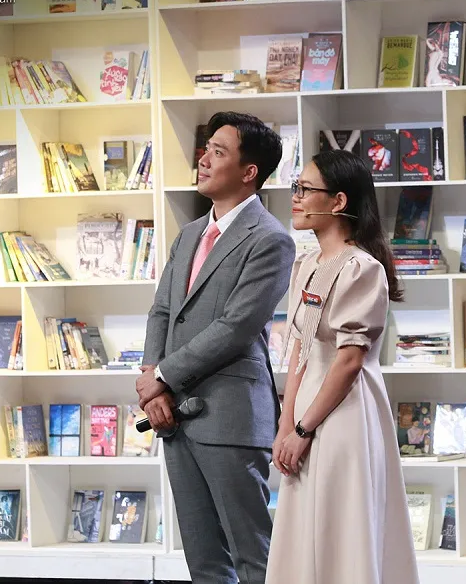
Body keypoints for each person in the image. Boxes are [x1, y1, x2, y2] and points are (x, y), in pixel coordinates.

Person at [137, 111, 295, 584]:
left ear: (249, 172)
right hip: (173, 415)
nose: (203, 159)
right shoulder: (189, 234)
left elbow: (236, 327)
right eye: (205, 149)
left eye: (218, 152)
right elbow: (162, 311)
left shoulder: (270, 239)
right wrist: (152, 381)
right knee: (203, 561)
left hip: (231, 417)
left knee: (254, 558)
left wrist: (162, 376)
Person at [266, 150, 419, 584]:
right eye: (296, 187)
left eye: (305, 189)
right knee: (303, 529)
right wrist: (286, 422)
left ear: (338, 201)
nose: (296, 197)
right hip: (305, 413)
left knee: (341, 529)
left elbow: (349, 360)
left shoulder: (361, 269)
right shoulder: (305, 265)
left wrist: (303, 429)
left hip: (344, 414)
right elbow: (299, 347)